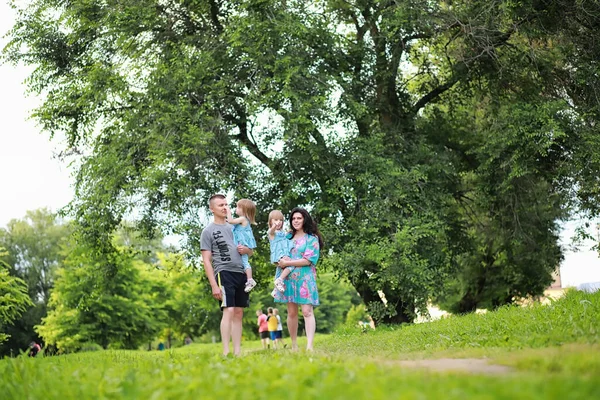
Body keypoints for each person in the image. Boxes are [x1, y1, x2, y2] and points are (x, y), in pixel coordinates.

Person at [201, 194, 254, 357]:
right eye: (220, 205)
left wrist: (248, 251)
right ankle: (226, 351)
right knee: (228, 310)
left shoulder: (236, 226)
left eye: (226, 204)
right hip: (223, 273)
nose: (225, 207)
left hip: (241, 273)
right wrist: (213, 285)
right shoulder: (208, 231)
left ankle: (237, 352)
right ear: (212, 209)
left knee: (239, 312)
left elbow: (249, 250)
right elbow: (206, 260)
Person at [273, 207, 323, 351]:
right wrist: (280, 262)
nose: (296, 221)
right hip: (288, 279)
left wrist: (288, 263)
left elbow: (308, 260)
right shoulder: (286, 237)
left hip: (305, 279)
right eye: (293, 219)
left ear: (305, 219)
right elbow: (276, 252)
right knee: (292, 312)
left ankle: (309, 346)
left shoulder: (311, 239)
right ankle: (294, 345)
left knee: (307, 311)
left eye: (299, 218)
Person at [227, 199, 258, 292]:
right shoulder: (243, 220)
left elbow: (230, 221)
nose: (236, 209)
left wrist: (228, 212)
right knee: (244, 261)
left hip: (242, 244)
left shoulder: (243, 219)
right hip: (241, 245)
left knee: (245, 262)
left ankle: (250, 280)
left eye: (238, 207)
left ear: (244, 210)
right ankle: (249, 279)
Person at [267, 210, 294, 294]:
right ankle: (280, 280)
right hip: (279, 255)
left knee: (279, 270)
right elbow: (270, 231)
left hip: (284, 254)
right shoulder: (272, 233)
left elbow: (287, 239)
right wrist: (274, 226)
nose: (278, 222)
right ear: (270, 221)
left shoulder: (282, 233)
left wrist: (290, 232)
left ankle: (275, 289)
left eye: (280, 220)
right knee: (291, 265)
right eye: (275, 220)